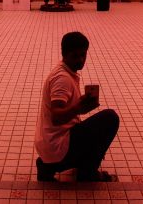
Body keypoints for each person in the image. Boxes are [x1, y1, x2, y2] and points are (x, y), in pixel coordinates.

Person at [35, 32, 119, 182]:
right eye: (75, 56)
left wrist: (80, 109)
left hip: (50, 145)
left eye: (83, 55)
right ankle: (87, 173)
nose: (80, 60)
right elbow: (57, 116)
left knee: (94, 133)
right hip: (58, 147)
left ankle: (47, 166)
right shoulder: (62, 79)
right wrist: (77, 109)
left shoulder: (65, 72)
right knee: (110, 118)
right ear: (64, 54)